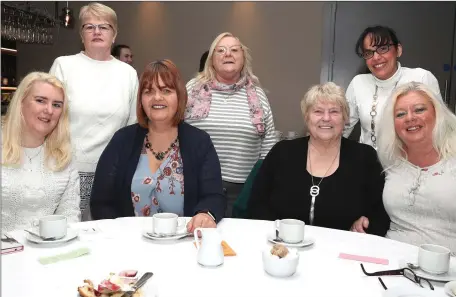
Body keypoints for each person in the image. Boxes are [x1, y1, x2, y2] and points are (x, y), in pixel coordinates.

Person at [90, 59, 226, 231]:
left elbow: (214, 196)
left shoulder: (200, 142)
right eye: (148, 91)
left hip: (184, 243)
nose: (157, 97)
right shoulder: (122, 140)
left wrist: (206, 214)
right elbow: (101, 202)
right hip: (129, 243)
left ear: (180, 96)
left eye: (166, 90)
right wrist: (120, 234)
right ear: (141, 100)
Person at [248, 82, 390, 236]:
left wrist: (365, 224)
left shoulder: (364, 157)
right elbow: (256, 205)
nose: (326, 118)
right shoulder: (282, 152)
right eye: (318, 111)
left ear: (345, 119)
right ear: (306, 117)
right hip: (284, 248)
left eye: (334, 111)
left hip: (342, 250)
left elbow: (380, 214)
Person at [49, 2, 138, 216]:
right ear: (82, 35)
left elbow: (133, 125)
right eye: (89, 27)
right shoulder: (63, 66)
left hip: (112, 174)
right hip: (66, 170)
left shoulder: (127, 73)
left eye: (104, 27)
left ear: (114, 34)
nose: (96, 31)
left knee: (105, 237)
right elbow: (48, 118)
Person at [185, 32, 277, 218]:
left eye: (234, 50)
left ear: (243, 58)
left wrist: (259, 186)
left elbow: (268, 146)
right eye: (221, 50)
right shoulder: (193, 89)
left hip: (242, 192)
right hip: (196, 187)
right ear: (211, 59)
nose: (228, 54)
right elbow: (174, 131)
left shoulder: (258, 96)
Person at [360, 82, 455, 251]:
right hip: (392, 260)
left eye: (419, 110)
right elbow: (370, 205)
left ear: (436, 113)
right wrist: (360, 219)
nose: (410, 118)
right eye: (400, 114)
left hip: (449, 268)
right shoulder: (388, 161)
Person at [1, 72, 80, 232]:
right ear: (21, 102)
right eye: (40, 101)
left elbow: (70, 216)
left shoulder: (64, 155)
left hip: (49, 250)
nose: (49, 110)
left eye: (57, 105)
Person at [343, 25, 441, 149]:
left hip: (411, 162)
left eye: (383, 48)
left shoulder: (421, 77)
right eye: (368, 53)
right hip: (370, 162)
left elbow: (440, 125)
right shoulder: (358, 83)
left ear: (398, 50)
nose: (376, 57)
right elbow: (342, 127)